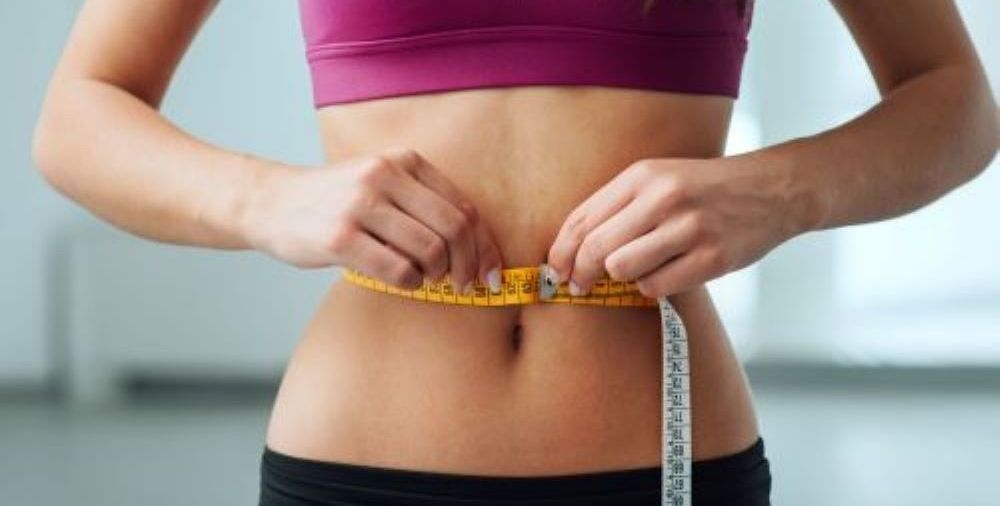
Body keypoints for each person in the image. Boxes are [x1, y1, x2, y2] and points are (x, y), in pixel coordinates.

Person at [32, 1, 997, 505]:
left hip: (666, 463)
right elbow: (77, 117)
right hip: (359, 461)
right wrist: (267, 198)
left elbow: (956, 100)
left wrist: (787, 187)